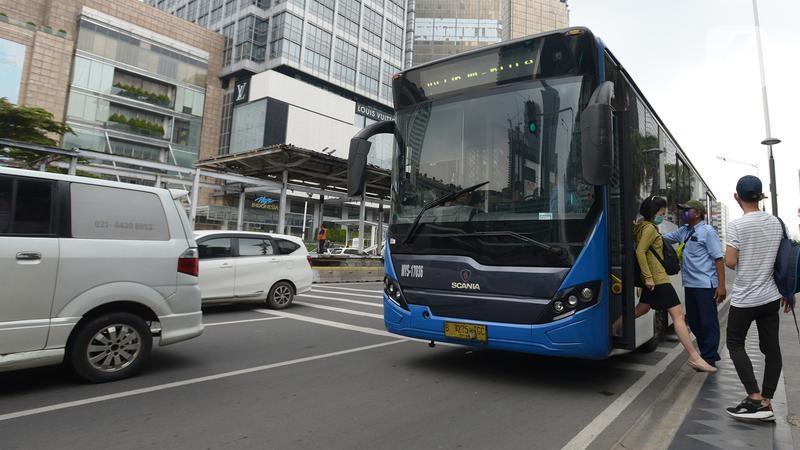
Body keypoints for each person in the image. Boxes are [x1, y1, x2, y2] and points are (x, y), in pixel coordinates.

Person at [613, 196, 717, 373]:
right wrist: (648, 277)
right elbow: (640, 251)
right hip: (658, 279)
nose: (663, 214)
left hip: (654, 279)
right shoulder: (650, 229)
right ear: (653, 212)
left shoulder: (641, 227)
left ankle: (615, 326)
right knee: (678, 317)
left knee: (642, 308)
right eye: (661, 211)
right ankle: (694, 357)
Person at [724, 176, 790, 421]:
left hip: (745, 299)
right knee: (770, 347)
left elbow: (730, 261)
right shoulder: (777, 223)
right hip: (771, 296)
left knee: (735, 343)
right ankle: (767, 399)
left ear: (736, 197)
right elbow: (784, 259)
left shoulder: (737, 226)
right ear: (761, 196)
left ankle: (754, 396)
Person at [662, 200, 726, 368]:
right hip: (690, 285)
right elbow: (661, 240)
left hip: (705, 285)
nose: (682, 213)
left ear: (697, 213)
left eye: (686, 210)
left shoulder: (707, 231)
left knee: (708, 322)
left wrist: (721, 286)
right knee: (695, 322)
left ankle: (709, 358)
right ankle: (708, 352)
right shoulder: (683, 231)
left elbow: (718, 259)